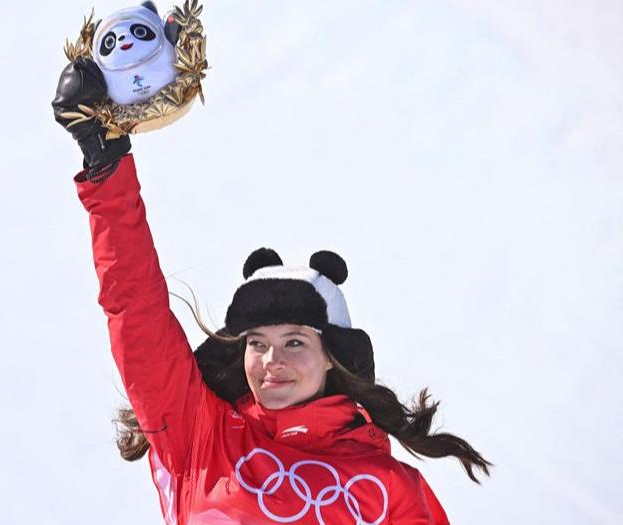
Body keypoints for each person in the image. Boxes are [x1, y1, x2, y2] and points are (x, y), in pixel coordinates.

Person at [53, 57, 490, 525]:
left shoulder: (390, 488)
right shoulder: (202, 435)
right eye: (257, 343)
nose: (271, 361)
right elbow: (135, 309)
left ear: (332, 355)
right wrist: (106, 166)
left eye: (294, 342)